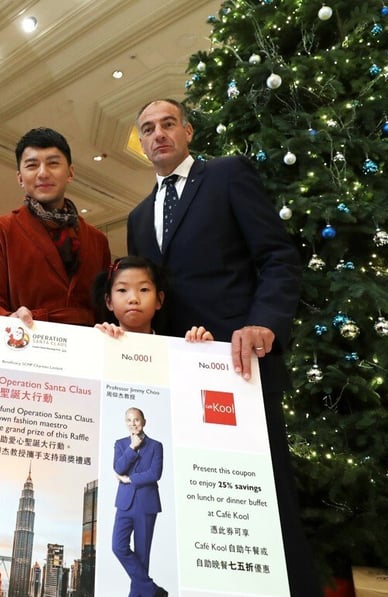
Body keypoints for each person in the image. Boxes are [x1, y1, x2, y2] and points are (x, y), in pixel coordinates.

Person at [127, 99, 319, 596]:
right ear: (142, 142)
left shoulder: (228, 175)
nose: (159, 135)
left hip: (240, 367)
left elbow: (278, 255)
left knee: (266, 501)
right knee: (195, 502)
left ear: (188, 131)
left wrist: (264, 322)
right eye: (148, 129)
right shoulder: (138, 215)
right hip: (175, 376)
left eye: (168, 124)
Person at [0, 127, 111, 326]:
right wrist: (9, 319)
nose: (43, 173)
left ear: (70, 173)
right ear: (20, 177)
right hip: (26, 345)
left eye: (53, 163)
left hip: (87, 349)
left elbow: (105, 306)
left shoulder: (98, 240)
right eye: (32, 165)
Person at [112, 407, 166, 597]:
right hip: (125, 504)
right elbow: (118, 467)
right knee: (118, 546)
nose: (132, 423)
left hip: (146, 505)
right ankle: (152, 591)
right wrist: (132, 447)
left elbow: (155, 474)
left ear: (144, 421)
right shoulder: (120, 445)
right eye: (128, 420)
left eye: (136, 420)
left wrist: (130, 479)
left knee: (142, 556)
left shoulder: (156, 446)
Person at [94, 256, 212, 341]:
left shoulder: (176, 348)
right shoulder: (101, 340)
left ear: (159, 299)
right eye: (122, 290)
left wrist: (203, 348)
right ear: (109, 301)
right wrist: (94, 339)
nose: (133, 299)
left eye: (144, 289)